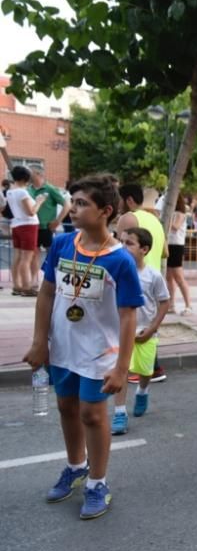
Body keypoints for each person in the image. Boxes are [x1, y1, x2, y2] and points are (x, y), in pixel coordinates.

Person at [22, 174, 143, 520]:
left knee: (92, 413)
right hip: (63, 348)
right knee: (66, 407)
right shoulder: (62, 245)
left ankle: (97, 483)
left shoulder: (120, 261)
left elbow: (128, 316)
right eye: (72, 202)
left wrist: (122, 366)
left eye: (81, 203)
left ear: (105, 211)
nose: (72, 209)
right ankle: (76, 466)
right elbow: (46, 294)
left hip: (99, 353)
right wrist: (39, 341)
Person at [111, 227, 170, 435]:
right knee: (122, 371)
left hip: (145, 333)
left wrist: (153, 327)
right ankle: (119, 413)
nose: (123, 247)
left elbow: (164, 302)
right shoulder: (114, 271)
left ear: (144, 249)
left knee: (145, 372)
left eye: (129, 243)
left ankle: (143, 391)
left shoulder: (153, 275)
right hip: (120, 332)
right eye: (121, 242)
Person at [118, 185, 168, 385]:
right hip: (151, 276)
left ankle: (142, 370)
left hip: (135, 278)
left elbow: (115, 251)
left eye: (118, 199)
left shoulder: (128, 218)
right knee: (144, 325)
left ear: (128, 200)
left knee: (134, 322)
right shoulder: (155, 219)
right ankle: (152, 368)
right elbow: (165, 252)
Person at [7, 165, 47, 296]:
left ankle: (17, 285)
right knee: (27, 258)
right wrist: (39, 201)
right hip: (28, 225)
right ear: (26, 178)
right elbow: (31, 212)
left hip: (16, 224)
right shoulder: (22, 192)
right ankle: (27, 286)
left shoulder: (10, 191)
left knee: (18, 257)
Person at [28, 166, 69, 291]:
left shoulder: (50, 189)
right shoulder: (28, 189)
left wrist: (58, 221)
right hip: (33, 226)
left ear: (38, 174)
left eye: (30, 172)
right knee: (34, 255)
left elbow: (67, 204)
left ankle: (55, 280)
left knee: (52, 254)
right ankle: (34, 281)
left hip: (46, 227)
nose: (28, 175)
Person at [165, 196, 194, 315]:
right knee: (169, 277)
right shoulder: (172, 213)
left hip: (176, 245)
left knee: (178, 277)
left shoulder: (180, 213)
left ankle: (188, 305)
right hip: (169, 244)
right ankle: (171, 304)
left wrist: (165, 220)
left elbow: (175, 227)